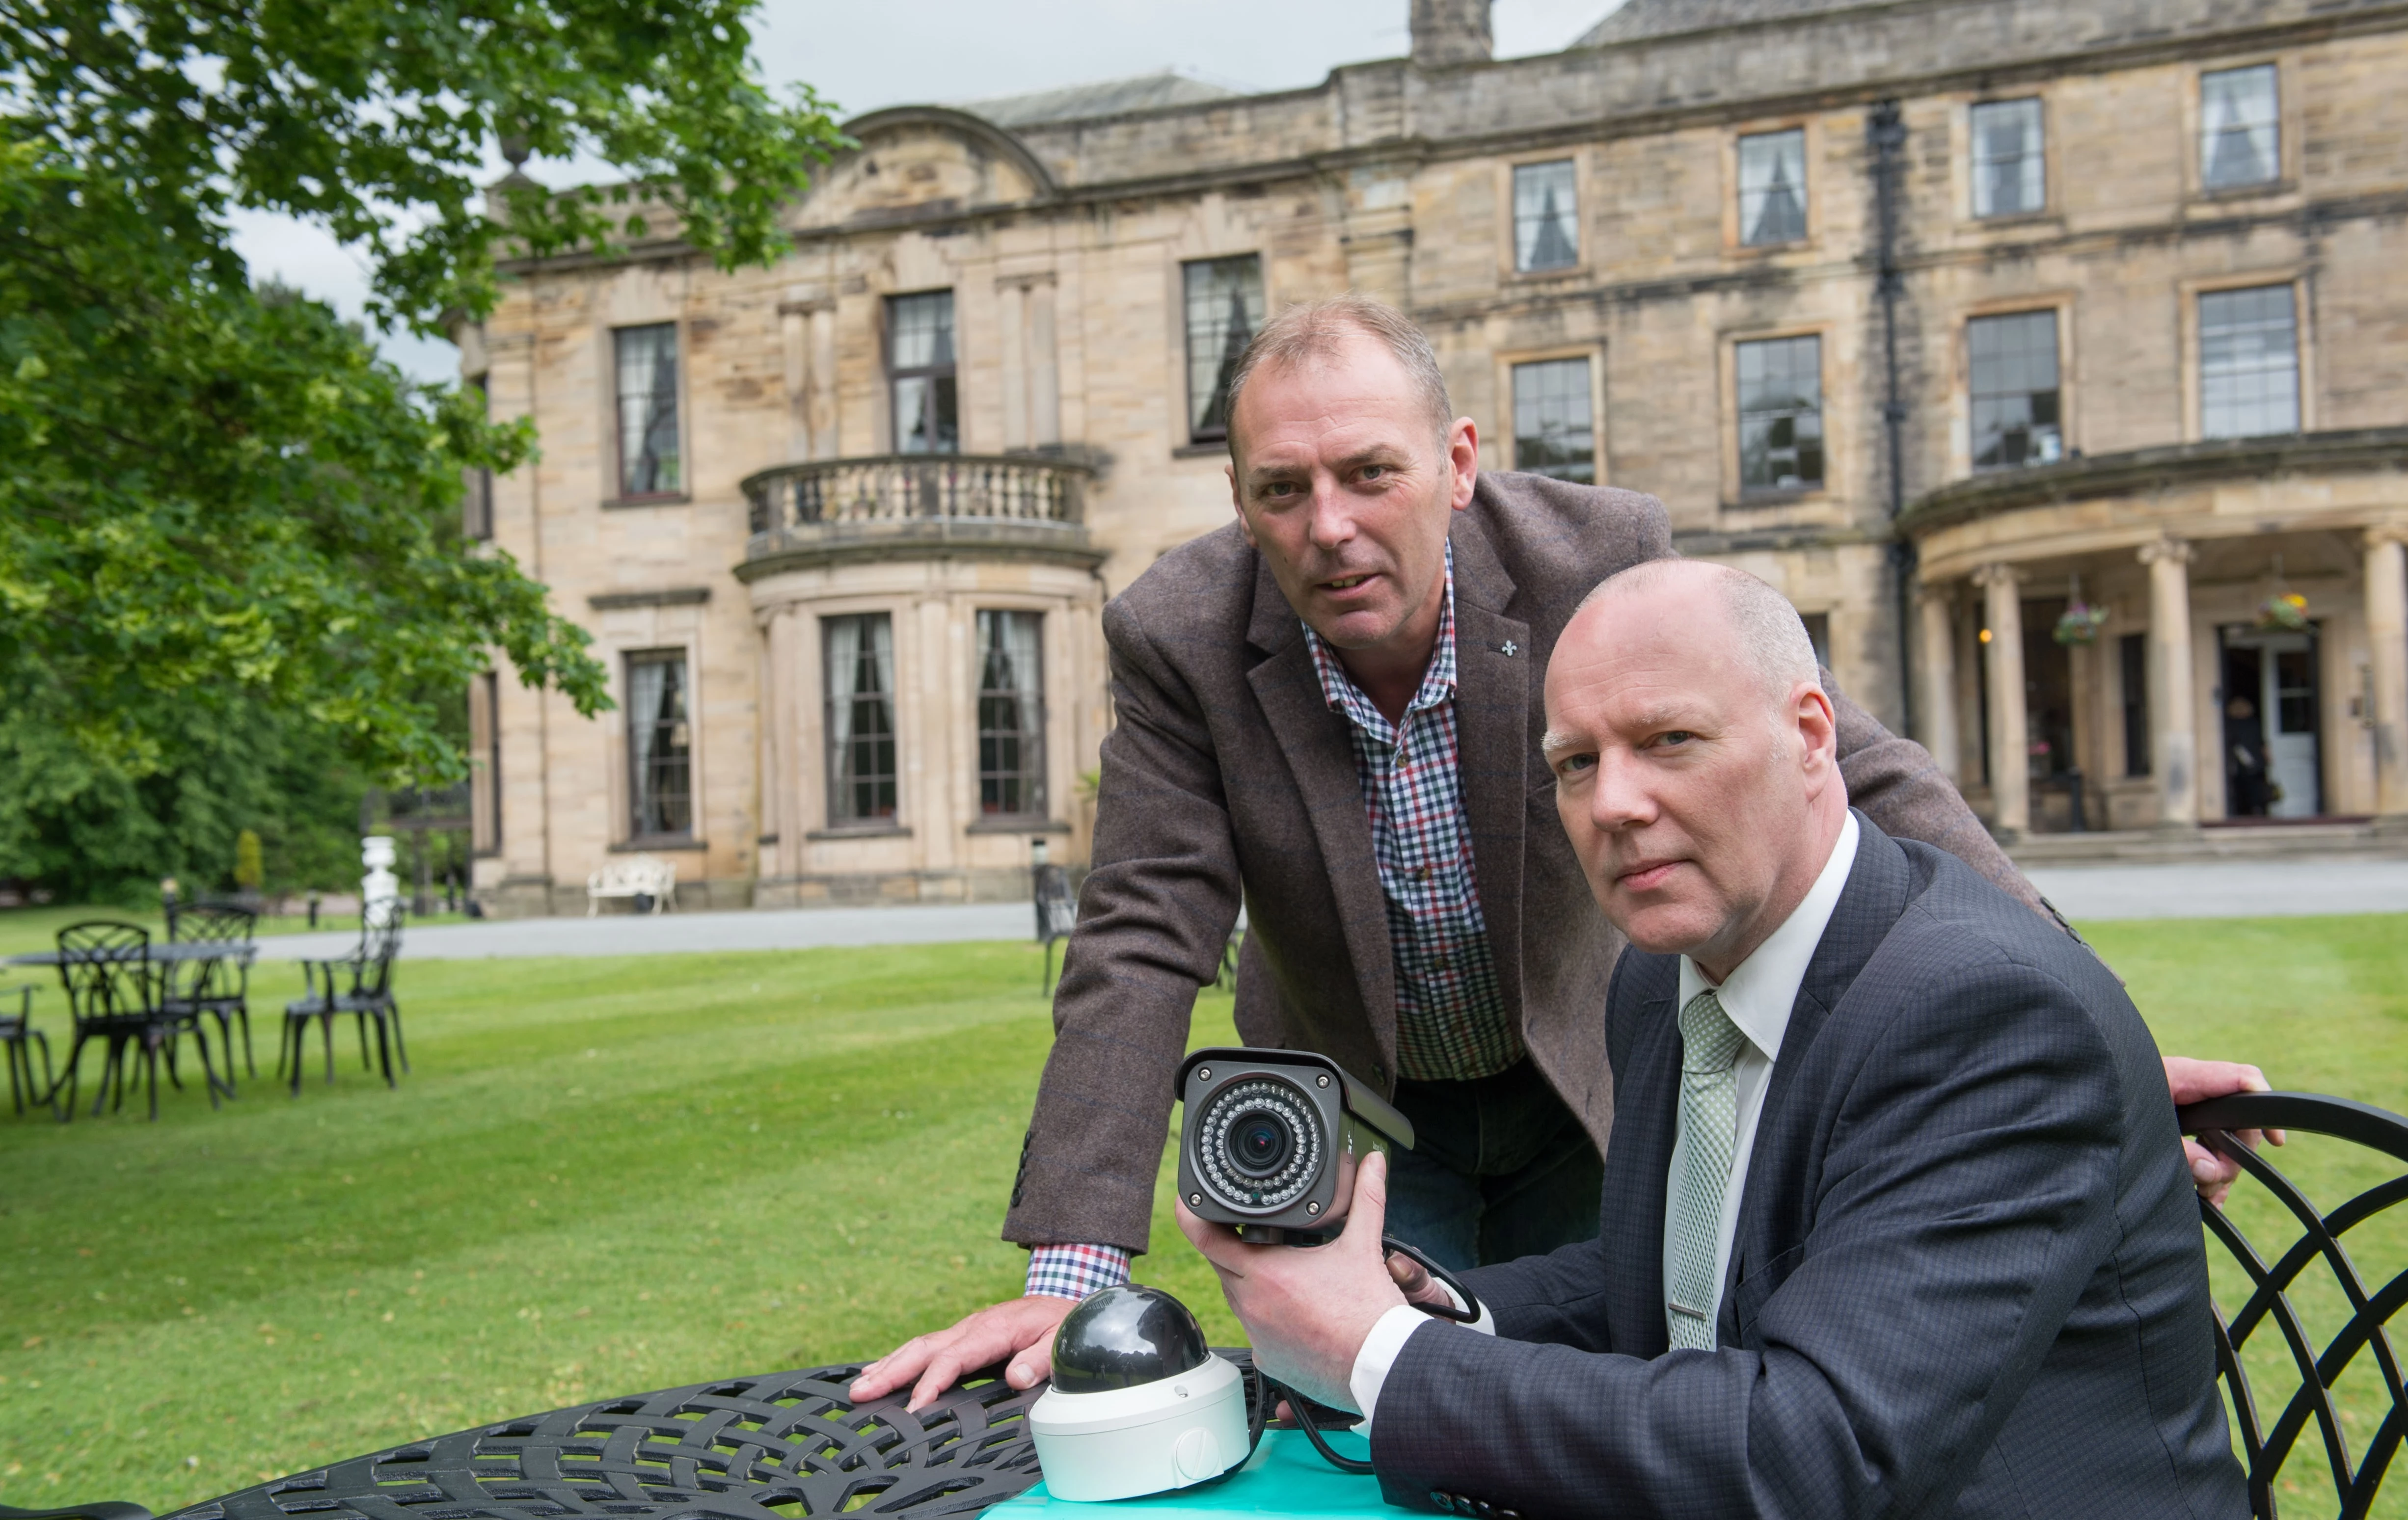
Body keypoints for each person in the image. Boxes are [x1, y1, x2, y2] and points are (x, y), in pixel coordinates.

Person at [851, 294, 2273, 1413]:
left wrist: (2090, 1040)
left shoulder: (1597, 555)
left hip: (1593, 1083)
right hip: (1371, 1126)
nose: (1329, 525)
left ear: (1459, 464)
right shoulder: (1180, 633)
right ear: (1240, 502)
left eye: (1369, 473)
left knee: (1652, 1406)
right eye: (1282, 490)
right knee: (1393, 1429)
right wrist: (1075, 1279)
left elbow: (1858, 769)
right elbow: (1141, 934)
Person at [1179, 560, 2249, 1519]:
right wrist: (1442, 1305)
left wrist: (1377, 1354)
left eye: (1668, 741)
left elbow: (1814, 1455)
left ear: (1811, 736)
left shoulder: (1982, 1019)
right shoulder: (1659, 981)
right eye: (1575, 764)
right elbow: (1681, 1280)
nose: (1616, 804)